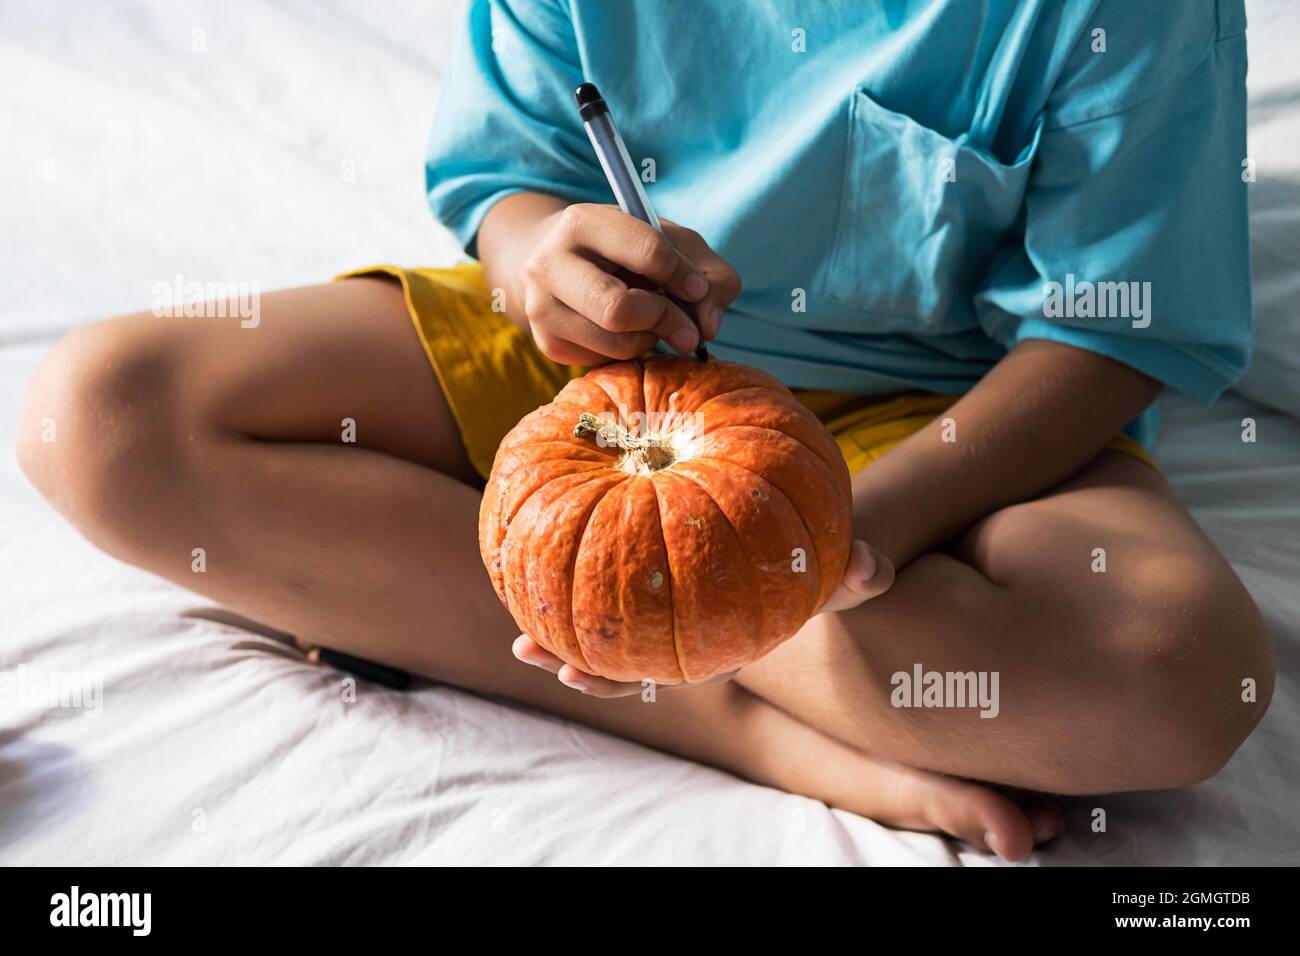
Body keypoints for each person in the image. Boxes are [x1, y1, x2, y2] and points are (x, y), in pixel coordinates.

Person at [16, 0, 1273, 861]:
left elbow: (1115, 331)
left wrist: (826, 541)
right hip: (599, 365)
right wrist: (535, 259)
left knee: (1178, 674)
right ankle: (741, 722)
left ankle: (428, 589)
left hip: (934, 418)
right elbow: (504, 189)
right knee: (104, 413)